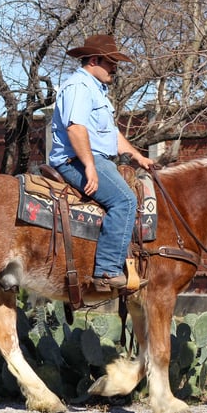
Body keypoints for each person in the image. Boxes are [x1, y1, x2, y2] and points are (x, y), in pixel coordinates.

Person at [49, 34, 154, 291]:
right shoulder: (79, 87)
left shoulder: (97, 91)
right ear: (94, 60)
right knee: (125, 201)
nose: (115, 68)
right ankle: (107, 271)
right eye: (111, 63)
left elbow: (111, 135)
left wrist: (138, 156)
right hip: (75, 159)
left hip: (95, 158)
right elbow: (75, 128)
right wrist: (89, 167)